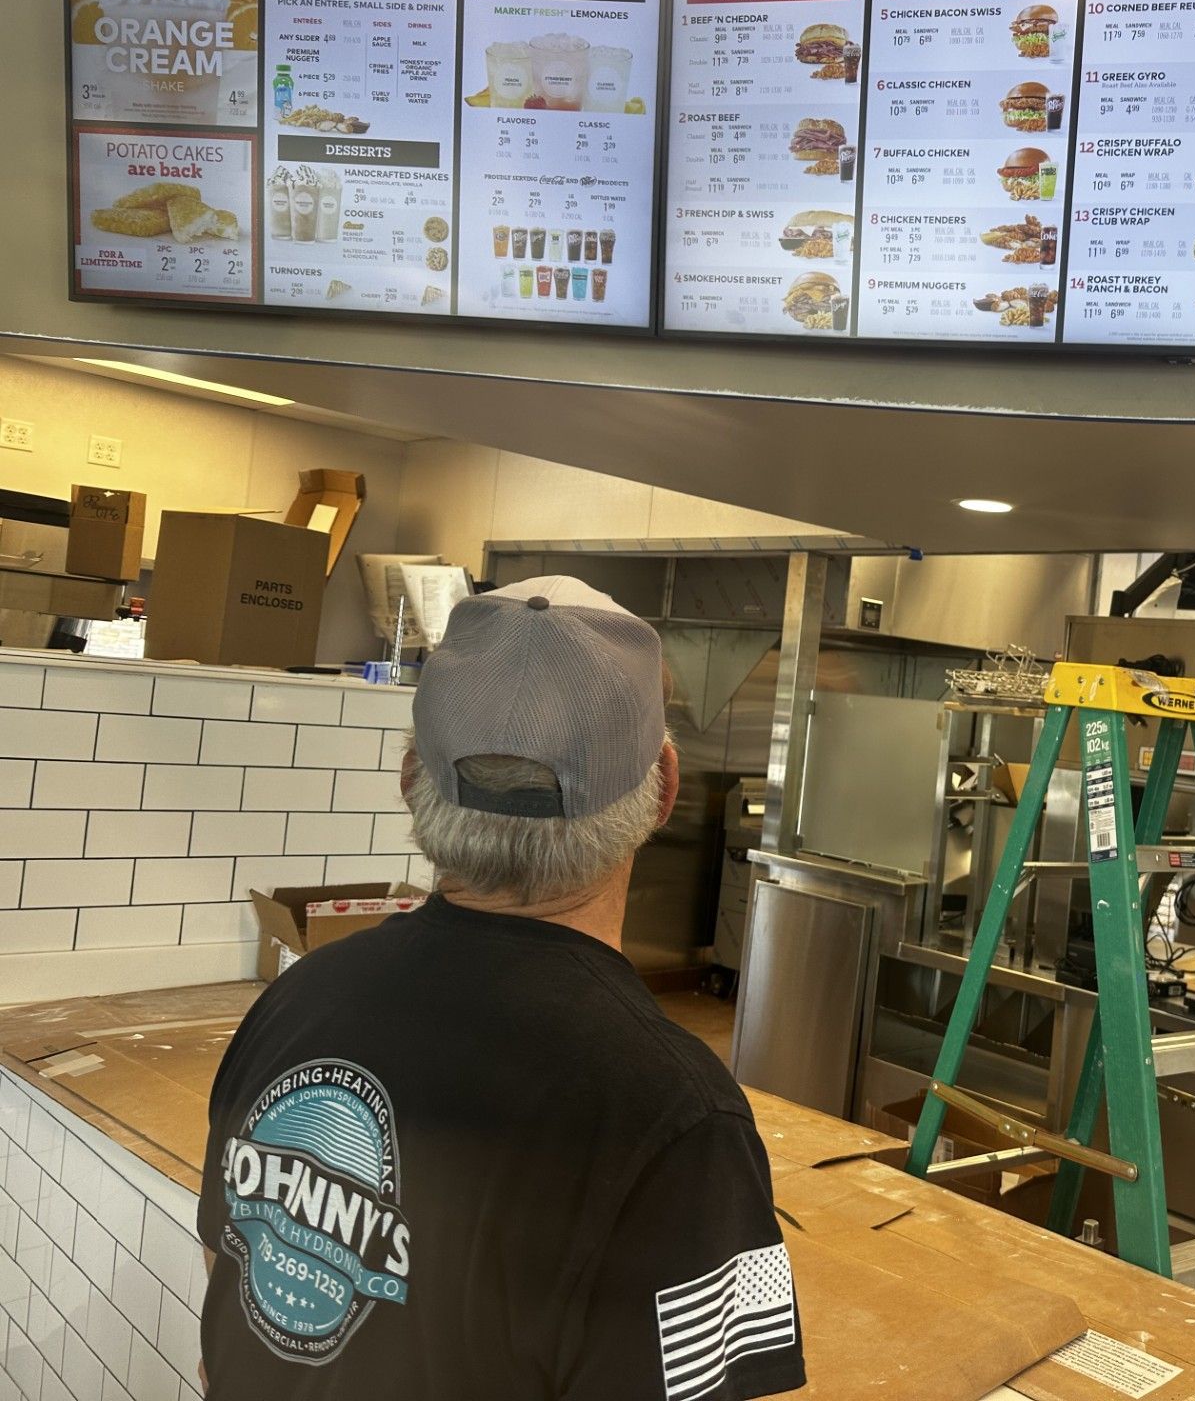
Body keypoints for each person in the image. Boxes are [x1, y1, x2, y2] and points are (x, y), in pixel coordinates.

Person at [197, 577, 805, 1401]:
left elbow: (224, 1289)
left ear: (412, 780)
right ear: (664, 786)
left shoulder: (296, 1000)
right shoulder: (683, 1116)